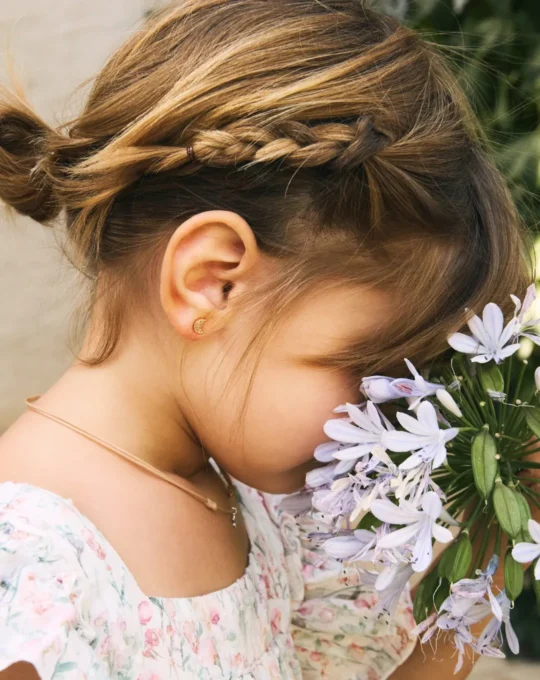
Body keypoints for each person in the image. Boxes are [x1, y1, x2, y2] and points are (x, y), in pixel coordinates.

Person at [0, 1, 532, 678]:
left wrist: (502, 537)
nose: (392, 420)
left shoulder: (253, 509)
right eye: (373, 368)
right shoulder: (33, 570)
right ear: (213, 283)